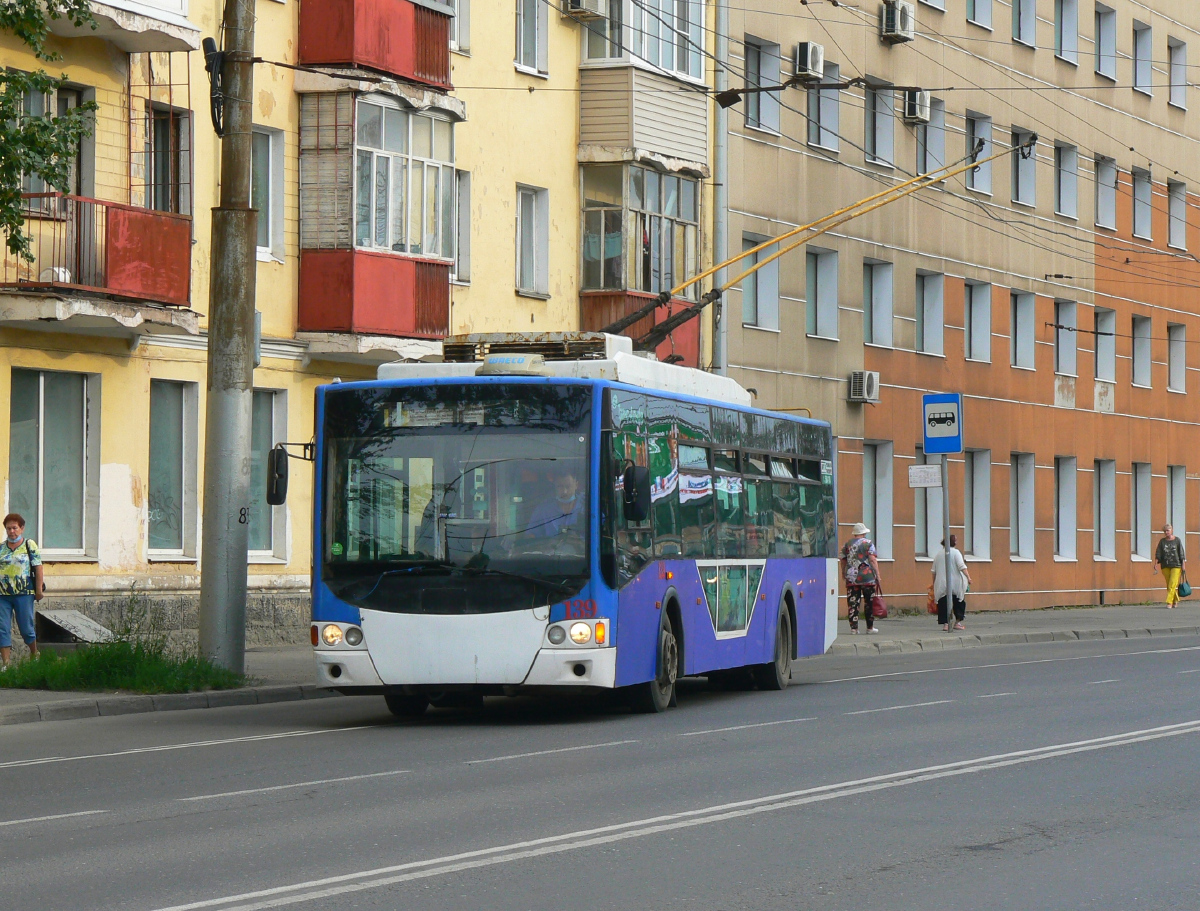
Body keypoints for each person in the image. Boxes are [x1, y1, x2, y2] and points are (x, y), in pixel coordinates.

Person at [0, 513, 43, 670]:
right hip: (2, 595)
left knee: (26, 627)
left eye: (15, 528)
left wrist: (38, 590)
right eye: (8, 528)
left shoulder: (29, 545)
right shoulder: (1, 548)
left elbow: (38, 567)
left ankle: (34, 652)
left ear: (22, 528)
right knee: (2, 628)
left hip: (24, 593)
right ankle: (6, 664)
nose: (12, 531)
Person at [840, 522, 881, 634]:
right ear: (863, 533)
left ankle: (854, 628)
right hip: (867, 577)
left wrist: (843, 573)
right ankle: (870, 628)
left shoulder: (847, 544)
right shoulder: (868, 543)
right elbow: (872, 560)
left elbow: (842, 560)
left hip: (852, 577)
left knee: (853, 602)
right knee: (869, 602)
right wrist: (877, 575)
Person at [528, 469, 584, 538]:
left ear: (576, 485)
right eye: (560, 486)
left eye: (568, 486)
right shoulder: (543, 509)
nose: (564, 491)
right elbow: (531, 535)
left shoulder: (588, 506)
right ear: (554, 486)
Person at [932, 534, 971, 631]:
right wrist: (969, 577)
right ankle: (957, 622)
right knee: (959, 603)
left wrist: (934, 584)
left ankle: (946, 624)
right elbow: (962, 567)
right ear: (954, 542)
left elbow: (933, 571)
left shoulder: (938, 554)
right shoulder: (956, 553)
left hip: (941, 583)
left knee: (943, 603)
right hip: (956, 583)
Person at [1153, 523, 1187, 609]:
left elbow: (1181, 553)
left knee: (1172, 584)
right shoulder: (1162, 541)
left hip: (1176, 565)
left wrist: (1183, 565)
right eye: (1165, 531)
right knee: (1169, 584)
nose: (1166, 532)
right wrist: (1156, 563)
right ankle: (1175, 600)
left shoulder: (1177, 540)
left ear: (1172, 530)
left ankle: (1169, 602)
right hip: (1165, 565)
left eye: (1168, 530)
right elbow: (1158, 553)